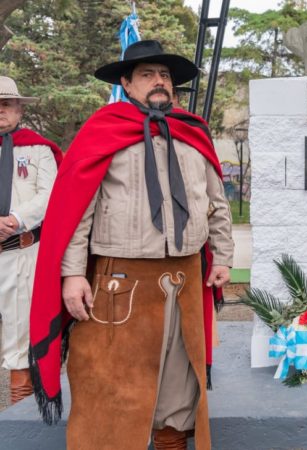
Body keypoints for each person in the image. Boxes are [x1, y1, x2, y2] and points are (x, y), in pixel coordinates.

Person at [28, 40, 234, 450]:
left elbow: (215, 201)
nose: (158, 82)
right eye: (146, 74)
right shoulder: (103, 130)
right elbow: (76, 210)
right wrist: (71, 275)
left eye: (164, 75)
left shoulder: (193, 131)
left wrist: (223, 255)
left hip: (185, 282)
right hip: (119, 283)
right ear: (126, 82)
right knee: (111, 390)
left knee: (179, 390)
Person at [0, 76, 60, 404]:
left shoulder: (38, 149)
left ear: (20, 109)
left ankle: (18, 414)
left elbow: (50, 195)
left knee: (19, 334)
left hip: (21, 253)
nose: (0, 110)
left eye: (6, 104)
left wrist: (15, 220)